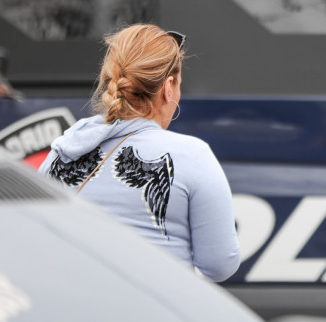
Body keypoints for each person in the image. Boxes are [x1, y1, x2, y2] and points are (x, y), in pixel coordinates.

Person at [39, 23, 241, 281]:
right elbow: (220, 265)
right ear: (168, 87)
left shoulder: (62, 150)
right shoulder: (192, 155)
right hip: (153, 315)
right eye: (178, 85)